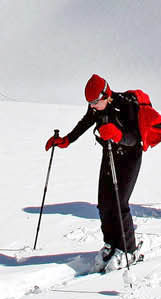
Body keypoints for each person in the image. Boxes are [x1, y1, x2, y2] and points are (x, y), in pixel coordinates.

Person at [46, 74, 146, 269]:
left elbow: (135, 138)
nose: (92, 106)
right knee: (104, 202)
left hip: (130, 157)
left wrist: (117, 135)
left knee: (120, 203)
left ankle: (129, 250)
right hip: (110, 155)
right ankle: (110, 242)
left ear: (105, 94)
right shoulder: (96, 107)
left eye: (94, 102)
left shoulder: (125, 106)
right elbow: (86, 122)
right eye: (89, 102)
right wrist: (66, 140)